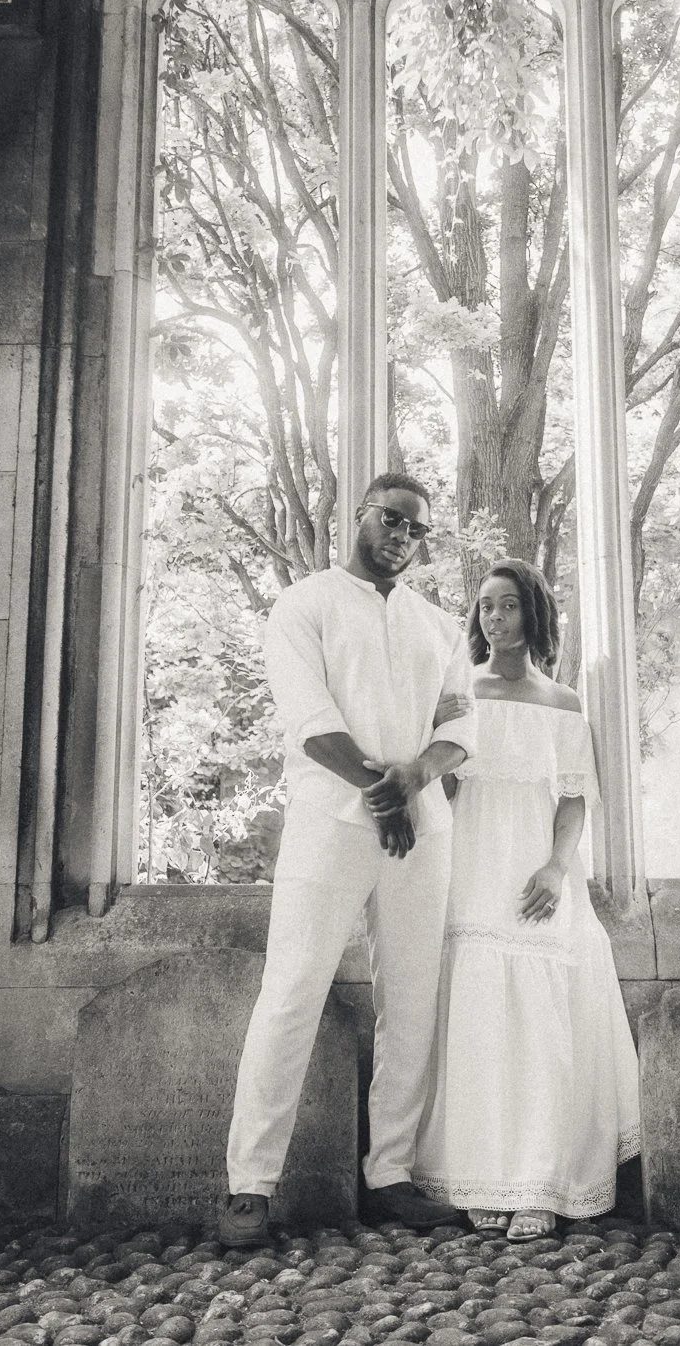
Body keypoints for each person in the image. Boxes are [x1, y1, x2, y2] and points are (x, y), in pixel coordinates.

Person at [220, 473, 477, 1247]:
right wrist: (380, 790)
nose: (402, 535)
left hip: (420, 832)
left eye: (417, 529)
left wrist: (418, 778)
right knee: (292, 990)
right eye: (392, 519)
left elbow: (462, 725)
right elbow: (308, 719)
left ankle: (391, 1172)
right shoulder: (307, 604)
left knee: (412, 1000)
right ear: (358, 516)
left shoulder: (440, 625)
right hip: (330, 824)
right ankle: (249, 1185)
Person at [412, 558, 641, 1239]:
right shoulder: (461, 694)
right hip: (473, 867)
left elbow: (573, 800)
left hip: (537, 876)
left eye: (507, 605)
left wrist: (554, 868)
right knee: (479, 1020)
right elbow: (443, 789)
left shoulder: (564, 703)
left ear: (532, 614)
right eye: (485, 606)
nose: (494, 618)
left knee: (544, 1027)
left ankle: (541, 1185)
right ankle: (481, 1173)